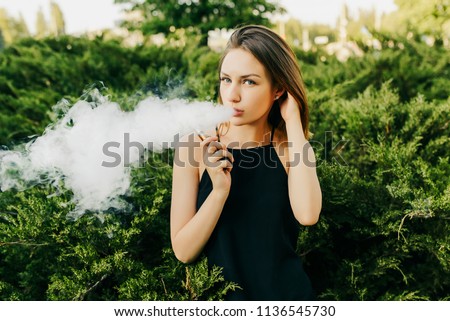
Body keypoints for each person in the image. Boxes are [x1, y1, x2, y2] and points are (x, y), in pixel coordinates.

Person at [170, 25, 322, 300]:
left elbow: (308, 215)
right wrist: (218, 193)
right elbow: (183, 251)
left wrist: (293, 122)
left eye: (249, 82)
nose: (232, 95)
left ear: (278, 89)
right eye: (226, 80)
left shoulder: (289, 146)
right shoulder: (195, 146)